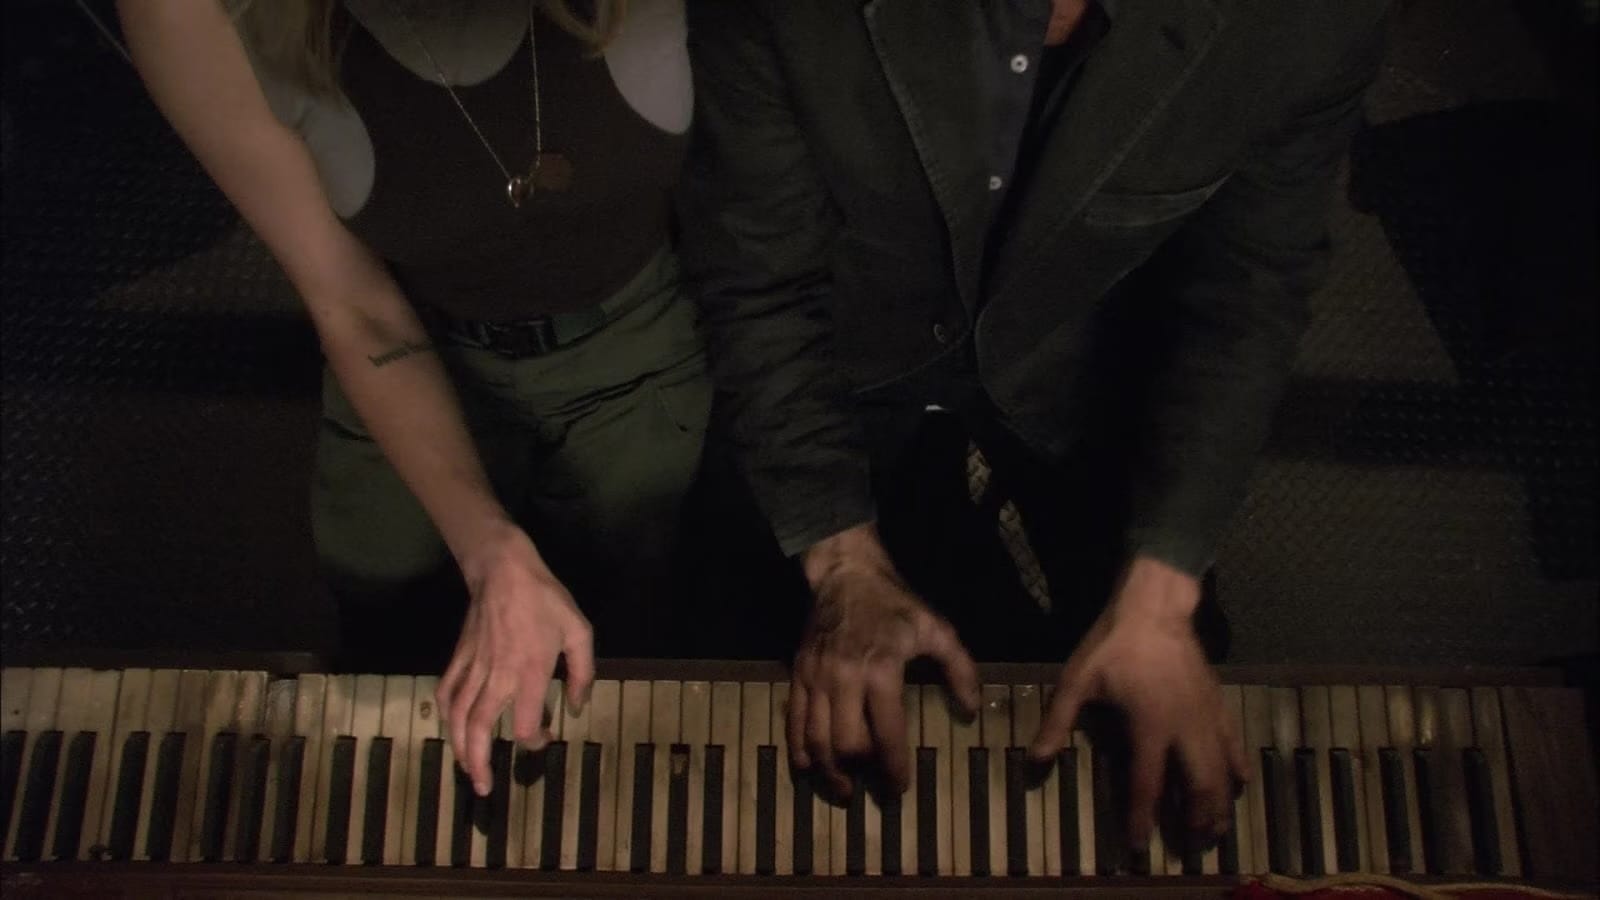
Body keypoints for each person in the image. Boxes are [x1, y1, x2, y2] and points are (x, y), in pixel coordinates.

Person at [681, 0, 1389, 849]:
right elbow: (759, 278)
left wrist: (1161, 595)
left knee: (1163, 710)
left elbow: (1247, 298)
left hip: (1080, 359)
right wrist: (838, 559)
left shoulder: (1312, 21)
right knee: (763, 676)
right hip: (847, 348)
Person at [117, 0, 706, 797]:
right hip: (412, 347)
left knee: (635, 610)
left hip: (639, 328)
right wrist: (488, 546)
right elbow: (349, 300)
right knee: (383, 614)